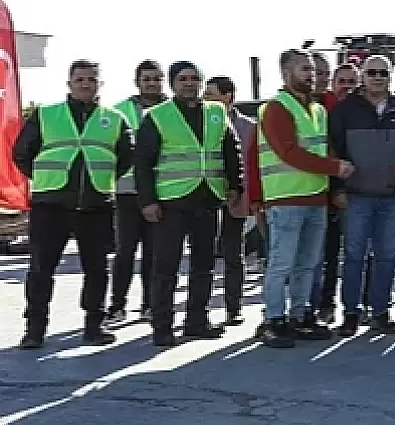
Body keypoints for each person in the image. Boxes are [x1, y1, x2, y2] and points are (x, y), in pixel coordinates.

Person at [14, 59, 133, 349]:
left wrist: (97, 181)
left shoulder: (115, 119)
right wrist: (48, 179)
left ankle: (94, 326)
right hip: (50, 204)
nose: (85, 84)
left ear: (99, 84)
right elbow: (21, 153)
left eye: (91, 80)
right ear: (69, 83)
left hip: (96, 205)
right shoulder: (45, 114)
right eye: (79, 79)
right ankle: (34, 329)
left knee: (97, 270)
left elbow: (125, 158)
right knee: (41, 269)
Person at [136, 61, 243, 346]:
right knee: (166, 268)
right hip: (170, 203)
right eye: (183, 78)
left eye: (195, 78)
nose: (189, 83)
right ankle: (162, 326)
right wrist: (147, 201)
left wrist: (235, 187)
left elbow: (231, 151)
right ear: (172, 83)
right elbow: (142, 163)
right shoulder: (156, 116)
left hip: (208, 199)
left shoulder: (217, 112)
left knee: (204, 266)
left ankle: (197, 321)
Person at [250, 49, 352, 347]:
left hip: (314, 197)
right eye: (303, 69)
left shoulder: (318, 110)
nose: (311, 75)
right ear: (286, 74)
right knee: (281, 263)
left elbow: (323, 148)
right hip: (285, 198)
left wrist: (332, 175)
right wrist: (335, 168)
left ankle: (299, 314)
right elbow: (288, 152)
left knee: (308, 263)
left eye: (314, 70)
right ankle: (273, 319)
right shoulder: (276, 108)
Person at [331, 55, 395, 336]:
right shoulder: (345, 110)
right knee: (353, 256)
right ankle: (351, 313)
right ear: (362, 76)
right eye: (372, 72)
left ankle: (380, 312)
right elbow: (334, 149)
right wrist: (337, 189)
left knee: (387, 257)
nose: (377, 77)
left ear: (391, 76)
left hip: (392, 197)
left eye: (383, 72)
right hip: (356, 196)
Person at [105, 59, 167, 324]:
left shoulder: (172, 111)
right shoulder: (119, 111)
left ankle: (150, 305)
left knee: (155, 252)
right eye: (146, 79)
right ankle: (117, 305)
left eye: (156, 78)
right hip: (127, 191)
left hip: (161, 190)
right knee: (125, 251)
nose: (151, 83)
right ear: (137, 82)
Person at [203, 75, 255, 325]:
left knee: (234, 254)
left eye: (211, 93)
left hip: (236, 199)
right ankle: (200, 310)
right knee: (205, 256)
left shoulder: (249, 127)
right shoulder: (201, 123)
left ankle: (233, 307)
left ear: (228, 96)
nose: (205, 98)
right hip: (206, 197)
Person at [312, 60, 357, 322]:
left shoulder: (361, 110)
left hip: (356, 192)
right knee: (322, 254)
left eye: (353, 82)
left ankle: (351, 306)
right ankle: (320, 304)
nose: (347, 87)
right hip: (322, 192)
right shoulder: (318, 110)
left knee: (354, 253)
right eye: (342, 81)